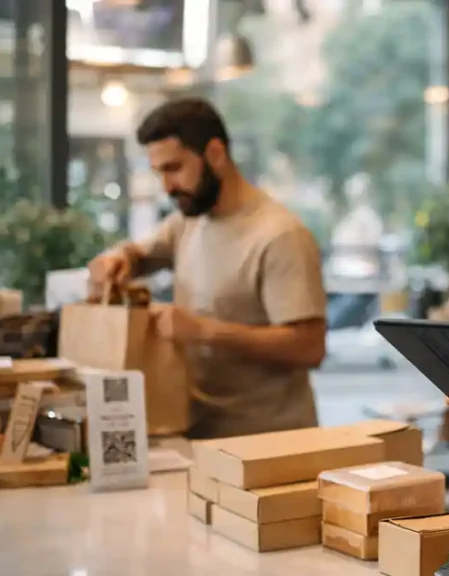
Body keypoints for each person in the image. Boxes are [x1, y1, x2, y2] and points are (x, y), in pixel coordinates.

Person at [88, 98, 327, 439]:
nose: (166, 187)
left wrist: (203, 331)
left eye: (174, 168)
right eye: (159, 173)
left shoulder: (280, 236)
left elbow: (309, 346)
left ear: (215, 153)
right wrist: (117, 258)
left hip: (268, 445)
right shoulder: (189, 220)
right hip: (193, 433)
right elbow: (139, 253)